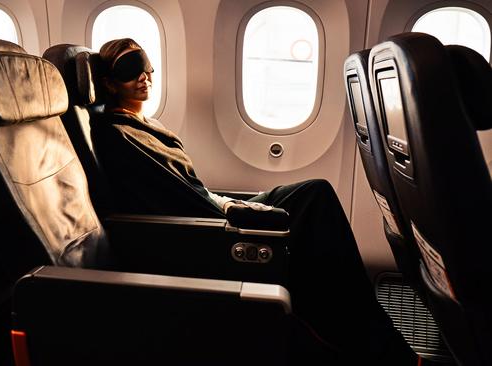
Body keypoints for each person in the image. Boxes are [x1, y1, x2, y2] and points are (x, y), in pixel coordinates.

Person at [91, 38, 435, 365]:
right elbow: (175, 198)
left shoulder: (142, 124)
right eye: (129, 69)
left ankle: (360, 336)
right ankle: (372, 344)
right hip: (206, 230)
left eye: (146, 66)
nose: (144, 75)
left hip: (213, 207)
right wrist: (233, 212)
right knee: (315, 205)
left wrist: (226, 202)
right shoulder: (119, 134)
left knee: (317, 194)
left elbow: (186, 188)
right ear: (108, 83)